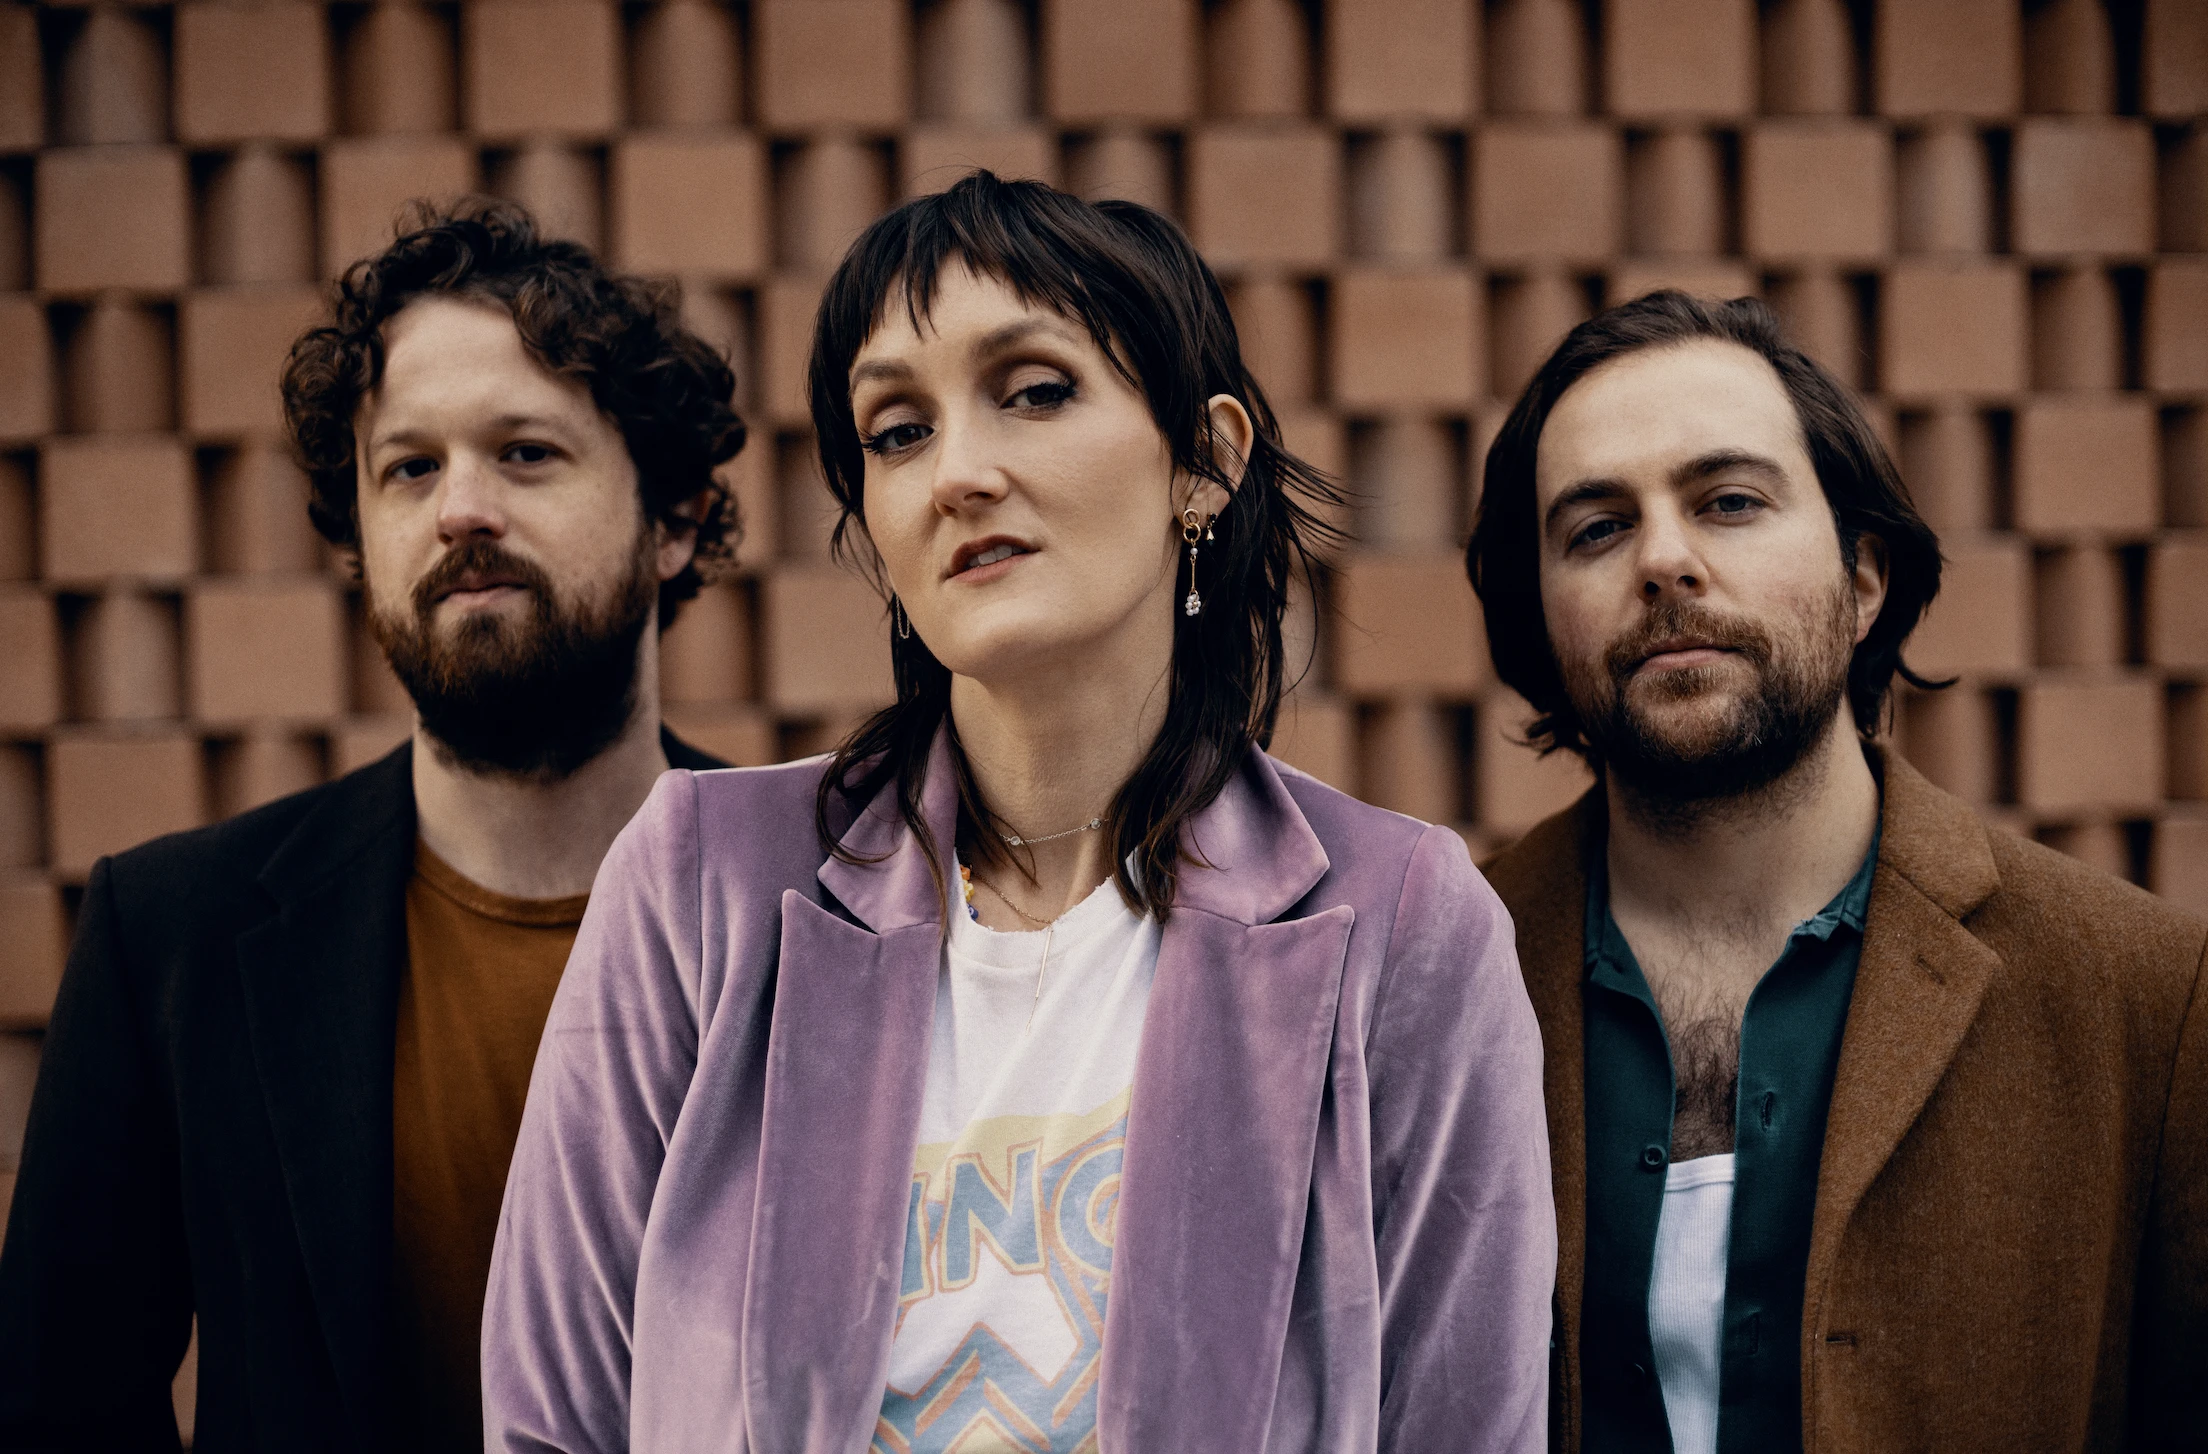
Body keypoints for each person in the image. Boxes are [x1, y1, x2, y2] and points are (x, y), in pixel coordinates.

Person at [483, 171, 1556, 1452]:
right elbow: (551, 1422)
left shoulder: (1405, 924)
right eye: (897, 431)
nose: (958, 474)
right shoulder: (697, 884)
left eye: (1036, 391)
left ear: (1205, 463)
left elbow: (1463, 1423)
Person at [0, 199, 747, 1452]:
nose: (462, 508)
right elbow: (56, 1411)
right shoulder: (170, 936)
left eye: (525, 452)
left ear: (671, 521)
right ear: (361, 535)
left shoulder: (833, 907)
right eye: (410, 467)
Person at [1467, 290, 2207, 1453]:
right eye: (1598, 528)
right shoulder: (1433, 977)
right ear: (1543, 623)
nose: (1664, 560)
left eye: (1729, 501)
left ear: (1864, 578)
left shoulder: (2146, 998)